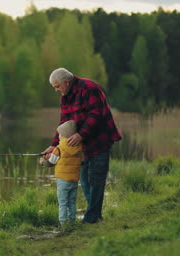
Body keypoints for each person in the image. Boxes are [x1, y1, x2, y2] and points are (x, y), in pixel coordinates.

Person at [41, 68, 122, 224]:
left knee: (96, 178)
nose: (56, 90)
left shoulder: (89, 88)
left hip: (100, 139)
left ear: (66, 82)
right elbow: (63, 124)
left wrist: (80, 134)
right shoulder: (65, 97)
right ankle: (95, 215)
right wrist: (53, 145)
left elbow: (96, 115)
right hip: (82, 144)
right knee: (84, 179)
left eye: (57, 86)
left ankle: (92, 218)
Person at [40, 120, 83, 225]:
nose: (58, 136)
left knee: (63, 203)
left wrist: (42, 162)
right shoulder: (79, 148)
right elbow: (81, 161)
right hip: (74, 180)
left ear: (63, 136)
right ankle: (72, 222)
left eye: (59, 134)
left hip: (63, 181)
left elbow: (51, 163)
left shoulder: (59, 148)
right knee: (72, 202)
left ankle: (63, 224)